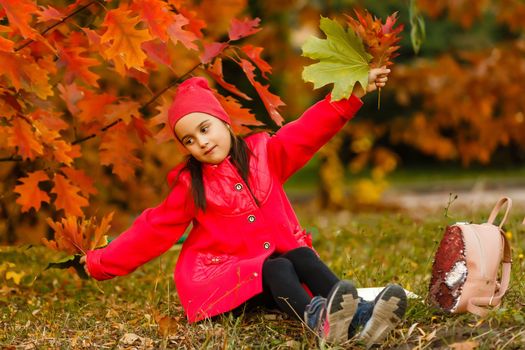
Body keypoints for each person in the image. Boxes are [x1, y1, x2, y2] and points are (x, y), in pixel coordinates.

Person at [80, 68, 407, 346]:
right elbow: (151, 231)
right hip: (223, 279)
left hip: (272, 279)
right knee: (277, 267)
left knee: (299, 256)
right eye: (189, 140)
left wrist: (352, 91)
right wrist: (98, 263)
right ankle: (319, 321)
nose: (201, 143)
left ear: (225, 122)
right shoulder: (190, 185)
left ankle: (362, 314)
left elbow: (309, 130)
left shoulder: (265, 153)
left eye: (204, 129)